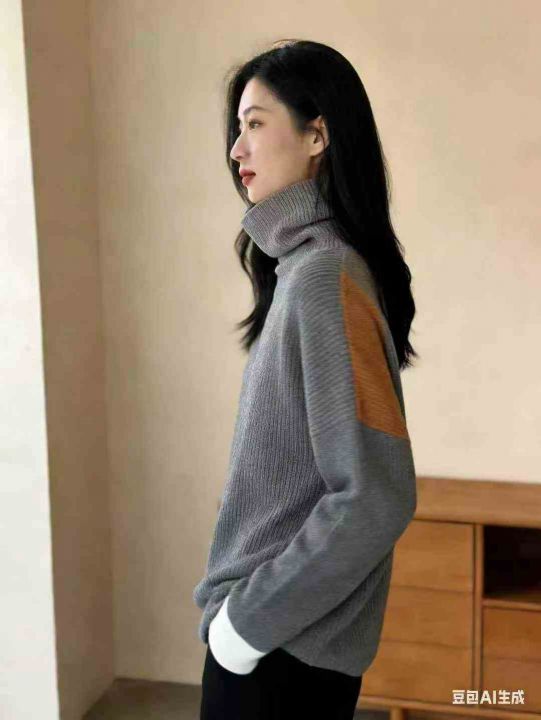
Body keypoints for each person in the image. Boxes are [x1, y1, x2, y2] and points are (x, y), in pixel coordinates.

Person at [193, 38, 419, 720]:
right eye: (236, 129)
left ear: (317, 134)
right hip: (278, 641)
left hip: (280, 651)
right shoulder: (302, 271)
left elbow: (375, 495)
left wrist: (243, 629)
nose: (236, 149)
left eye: (255, 124)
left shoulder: (324, 277)